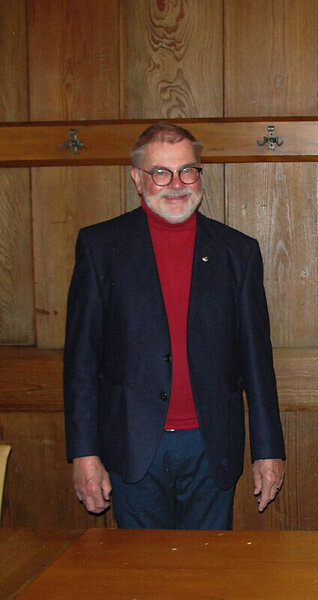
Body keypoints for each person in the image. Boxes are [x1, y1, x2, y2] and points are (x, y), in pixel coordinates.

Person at [63, 122, 286, 529]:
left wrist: (268, 449)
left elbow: (257, 361)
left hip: (211, 445)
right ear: (137, 178)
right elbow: (81, 362)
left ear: (200, 174)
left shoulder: (238, 252)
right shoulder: (100, 247)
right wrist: (83, 452)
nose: (177, 184)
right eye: (161, 173)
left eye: (187, 170)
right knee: (141, 568)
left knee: (208, 566)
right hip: (132, 446)